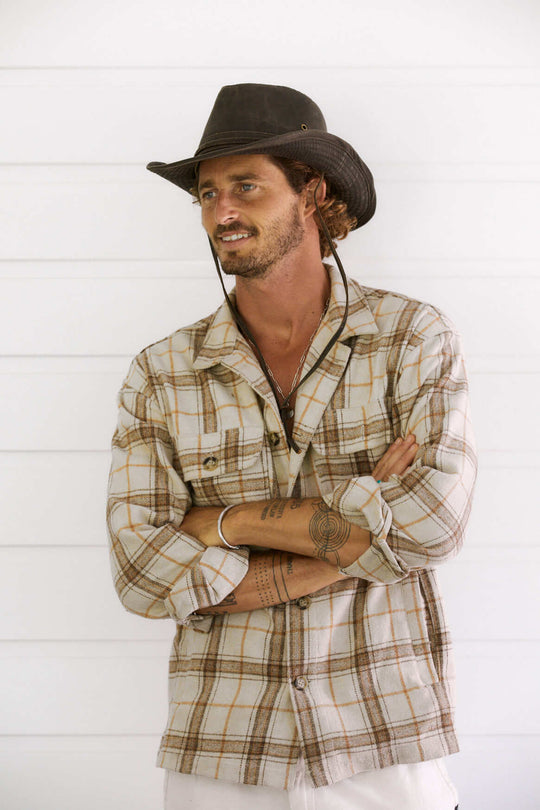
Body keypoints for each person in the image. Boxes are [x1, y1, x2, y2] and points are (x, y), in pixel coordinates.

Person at [107, 83, 476, 810]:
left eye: (246, 186)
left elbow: (435, 523)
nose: (223, 211)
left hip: (382, 745)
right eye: (208, 194)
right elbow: (140, 573)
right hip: (222, 754)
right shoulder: (161, 370)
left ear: (312, 194)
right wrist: (361, 517)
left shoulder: (411, 339)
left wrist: (223, 524)